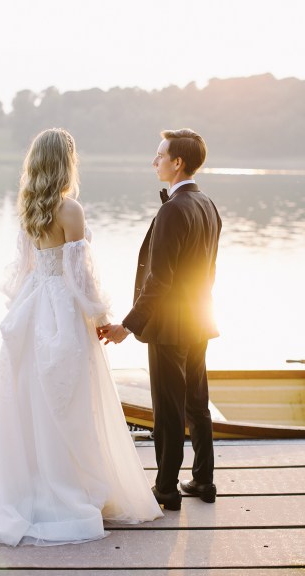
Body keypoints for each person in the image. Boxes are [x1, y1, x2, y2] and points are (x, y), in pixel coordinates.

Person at [0, 128, 162, 547]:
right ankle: (70, 490)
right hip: (61, 309)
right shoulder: (71, 210)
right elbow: (81, 276)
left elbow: (23, 270)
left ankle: (30, 487)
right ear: (66, 163)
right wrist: (100, 316)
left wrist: (23, 309)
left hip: (33, 307)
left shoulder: (30, 208)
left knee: (30, 401)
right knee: (71, 403)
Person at [100, 129, 222, 510]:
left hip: (170, 326)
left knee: (168, 410)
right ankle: (203, 480)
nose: (154, 162)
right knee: (197, 401)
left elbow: (160, 279)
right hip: (199, 320)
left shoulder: (174, 209)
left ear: (177, 162)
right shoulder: (207, 204)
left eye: (159, 156)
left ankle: (167, 488)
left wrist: (129, 324)